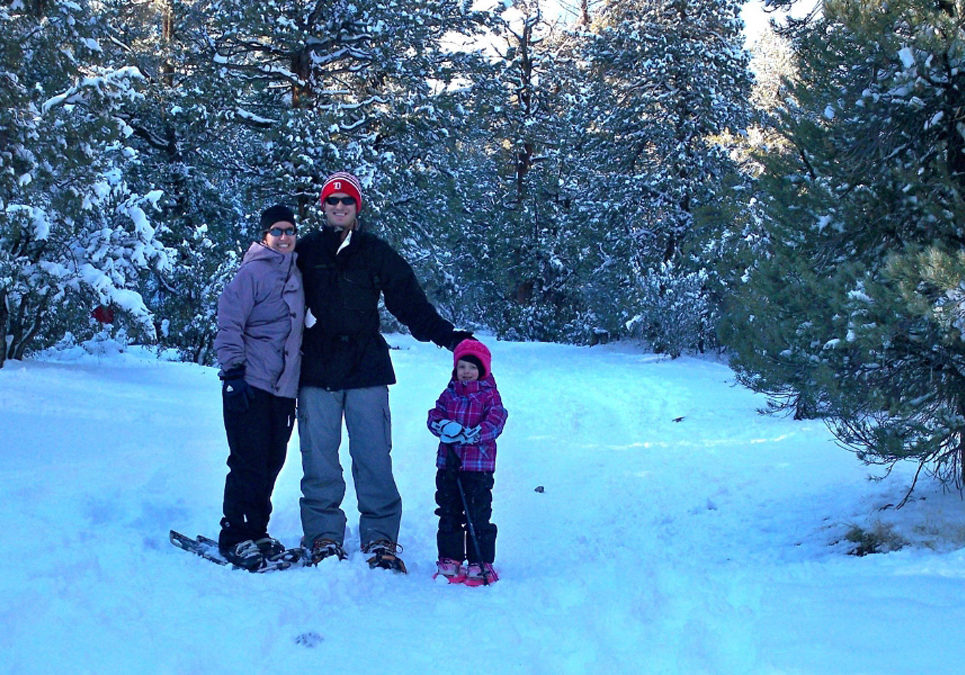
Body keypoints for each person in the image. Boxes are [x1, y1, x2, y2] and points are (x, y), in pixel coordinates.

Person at [296, 171, 472, 573]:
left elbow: (410, 304)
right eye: (331, 201)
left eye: (346, 202)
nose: (339, 207)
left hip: (366, 368)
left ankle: (380, 537)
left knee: (374, 456)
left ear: (357, 208)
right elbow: (274, 299)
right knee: (319, 457)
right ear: (322, 207)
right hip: (317, 369)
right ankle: (323, 533)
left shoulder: (375, 253)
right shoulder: (305, 252)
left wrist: (450, 338)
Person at [212, 204, 305, 571]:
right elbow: (229, 322)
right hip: (249, 381)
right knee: (247, 460)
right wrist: (233, 372)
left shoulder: (298, 272)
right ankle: (235, 534)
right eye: (277, 231)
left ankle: (258, 529)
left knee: (271, 461)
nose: (284, 237)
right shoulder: (251, 273)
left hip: (283, 387)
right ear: (265, 236)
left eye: (289, 230)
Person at [427, 339, 507, 586]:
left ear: (482, 369)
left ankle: (480, 561)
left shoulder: (489, 395)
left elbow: (497, 420)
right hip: (449, 464)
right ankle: (450, 558)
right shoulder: (449, 393)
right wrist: (442, 426)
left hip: (478, 467)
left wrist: (476, 433)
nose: (466, 372)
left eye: (472, 367)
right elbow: (434, 415)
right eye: (462, 367)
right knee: (449, 510)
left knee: (477, 512)